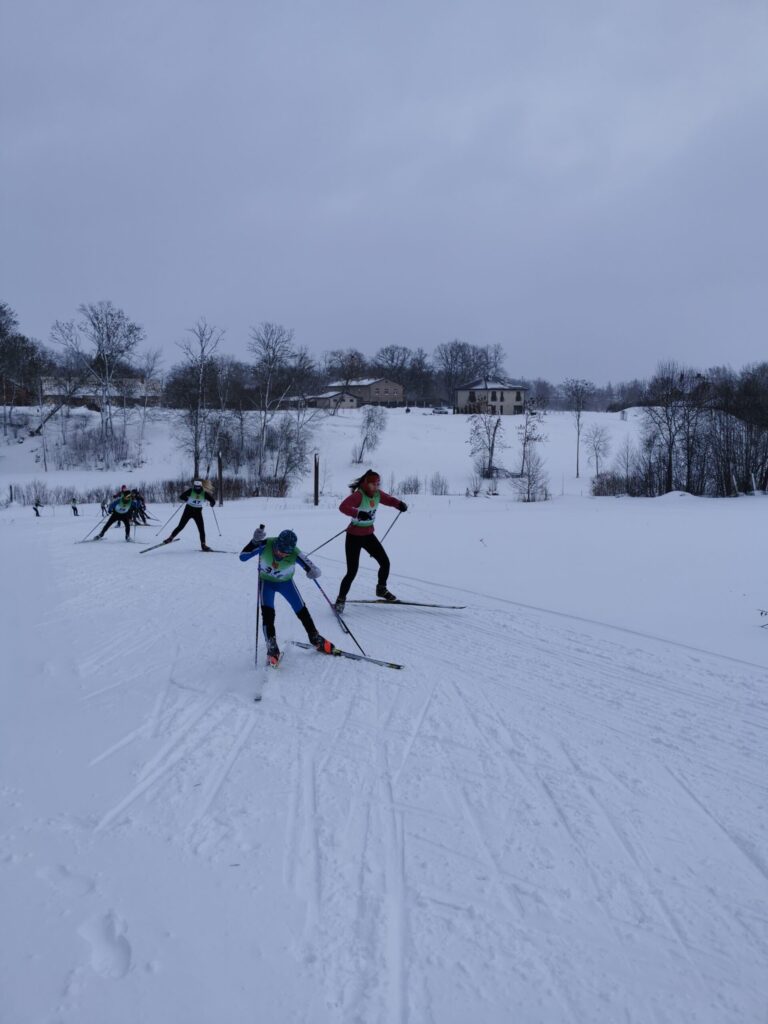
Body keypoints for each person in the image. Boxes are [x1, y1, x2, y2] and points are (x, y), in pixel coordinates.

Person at [240, 527, 337, 665]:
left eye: (287, 553)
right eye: (280, 551)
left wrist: (313, 572)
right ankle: (272, 647)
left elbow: (313, 568)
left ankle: (315, 639)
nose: (283, 555)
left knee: (302, 610)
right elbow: (243, 557)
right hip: (266, 584)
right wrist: (254, 542)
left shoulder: (294, 553)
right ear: (277, 544)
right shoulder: (266, 544)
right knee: (268, 615)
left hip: (286, 584)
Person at [334, 469, 408, 612]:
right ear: (366, 484)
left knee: (385, 562)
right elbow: (343, 507)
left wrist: (400, 504)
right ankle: (340, 599)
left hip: (368, 535)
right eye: (373, 484)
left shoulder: (378, 495)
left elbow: (390, 500)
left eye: (377, 484)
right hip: (354, 537)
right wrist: (357, 512)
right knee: (352, 572)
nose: (376, 486)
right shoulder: (358, 496)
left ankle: (381, 589)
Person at [163, 480, 216, 551]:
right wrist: (186, 498)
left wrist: (212, 503)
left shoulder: (204, 493)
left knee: (201, 529)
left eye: (198, 487)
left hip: (197, 513)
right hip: (188, 511)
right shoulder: (191, 491)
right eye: (195, 487)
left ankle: (203, 545)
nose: (196, 488)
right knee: (181, 526)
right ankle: (170, 538)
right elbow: (181, 496)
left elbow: (212, 500)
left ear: (201, 487)